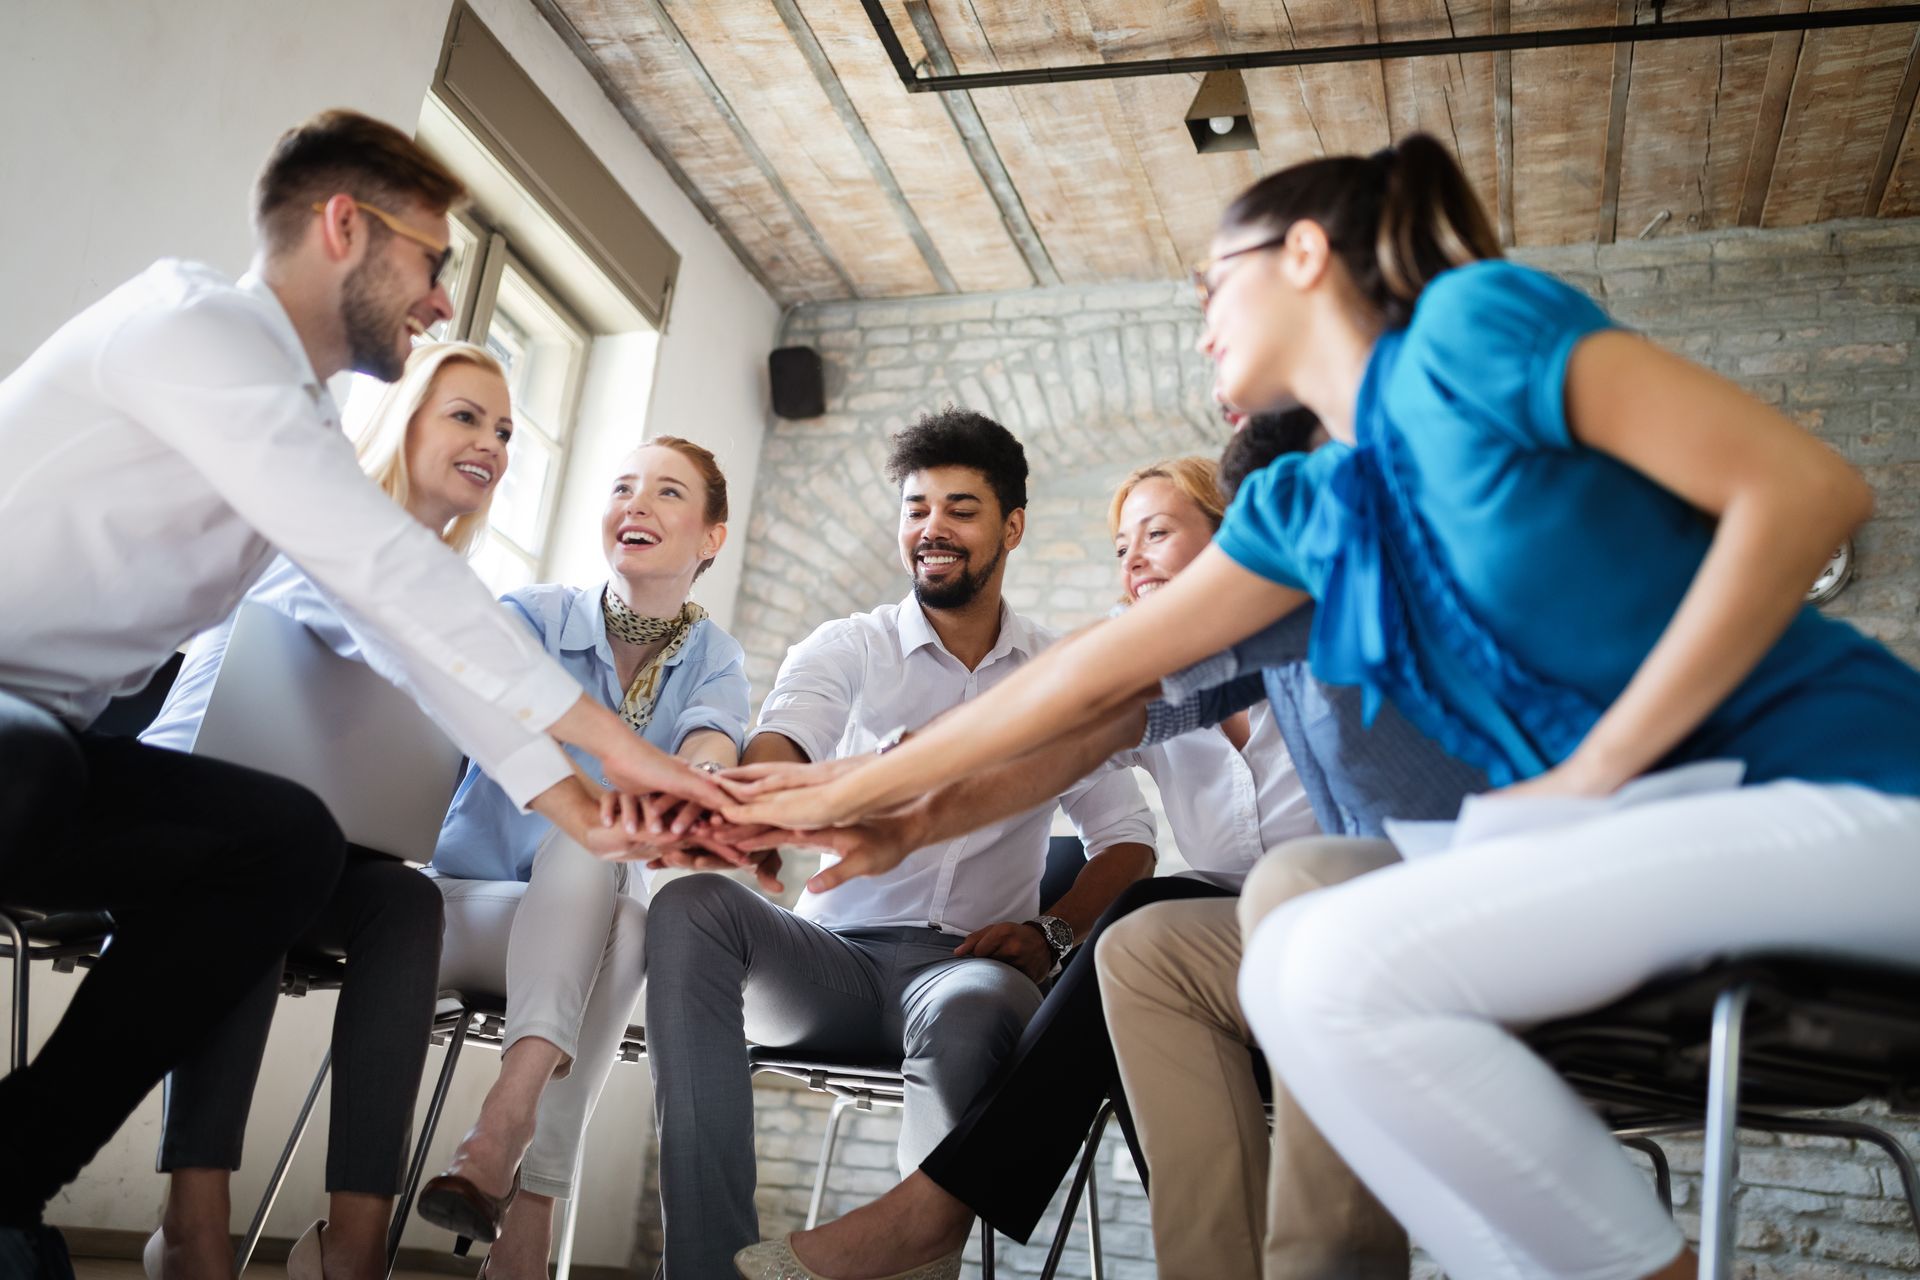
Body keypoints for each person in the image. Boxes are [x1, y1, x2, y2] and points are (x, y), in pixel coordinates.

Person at [721, 132, 1920, 1280]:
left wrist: (1594, 775)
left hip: (1852, 797)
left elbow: (1805, 490)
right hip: (1668, 859)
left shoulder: (1469, 328)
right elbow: (1097, 680)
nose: (1199, 329)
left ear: (1302, 254)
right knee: (1310, 970)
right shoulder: (1316, 506)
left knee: (1328, 945)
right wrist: (863, 799)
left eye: (1209, 287)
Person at [0, 109, 725, 1275]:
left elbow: (412, 635)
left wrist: (584, 804)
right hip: (18, 746)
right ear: (346, 226)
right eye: (433, 262)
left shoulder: (296, 419)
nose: (442, 299)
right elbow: (392, 580)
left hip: (51, 753)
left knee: (280, 843)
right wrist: (614, 753)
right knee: (37, 765)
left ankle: (10, 1171)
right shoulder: (197, 329)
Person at [730, 412, 1481, 1280]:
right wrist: (899, 816)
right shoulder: (1203, 679)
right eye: (1121, 546)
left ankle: (934, 1209)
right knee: (1145, 940)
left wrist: (882, 803)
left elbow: (1081, 720)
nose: (1131, 564)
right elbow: (1061, 733)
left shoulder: (1337, 628)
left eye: (1157, 534)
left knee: (1161, 915)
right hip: (1239, 951)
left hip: (1394, 920)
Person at [644, 407, 1156, 1279]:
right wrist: (751, 809)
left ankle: (917, 1264)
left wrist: (1050, 933)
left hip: (964, 969)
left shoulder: (1055, 676)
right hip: (826, 964)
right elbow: (782, 749)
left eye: (961, 508)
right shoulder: (849, 646)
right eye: (917, 508)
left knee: (977, 1008)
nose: (933, 529)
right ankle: (704, 1265)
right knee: (691, 906)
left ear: (1013, 527)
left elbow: (1129, 842)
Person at [134, 341, 510, 1280]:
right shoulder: (317, 519)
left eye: (504, 430)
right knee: (271, 856)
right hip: (177, 819)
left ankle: (352, 1244)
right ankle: (194, 1218)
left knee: (407, 901)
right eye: (466, 415)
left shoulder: (454, 589)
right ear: (408, 420)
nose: (491, 443)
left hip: (308, 839)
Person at [418, 437, 752, 1279]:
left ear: (712, 537)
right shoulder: (530, 615)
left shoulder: (716, 657)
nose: (635, 504)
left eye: (667, 493)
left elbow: (711, 735)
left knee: (635, 915)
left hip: (585, 936)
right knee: (598, 852)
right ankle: (528, 1187)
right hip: (465, 906)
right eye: (622, 487)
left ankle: (499, 1134)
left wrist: (706, 775)